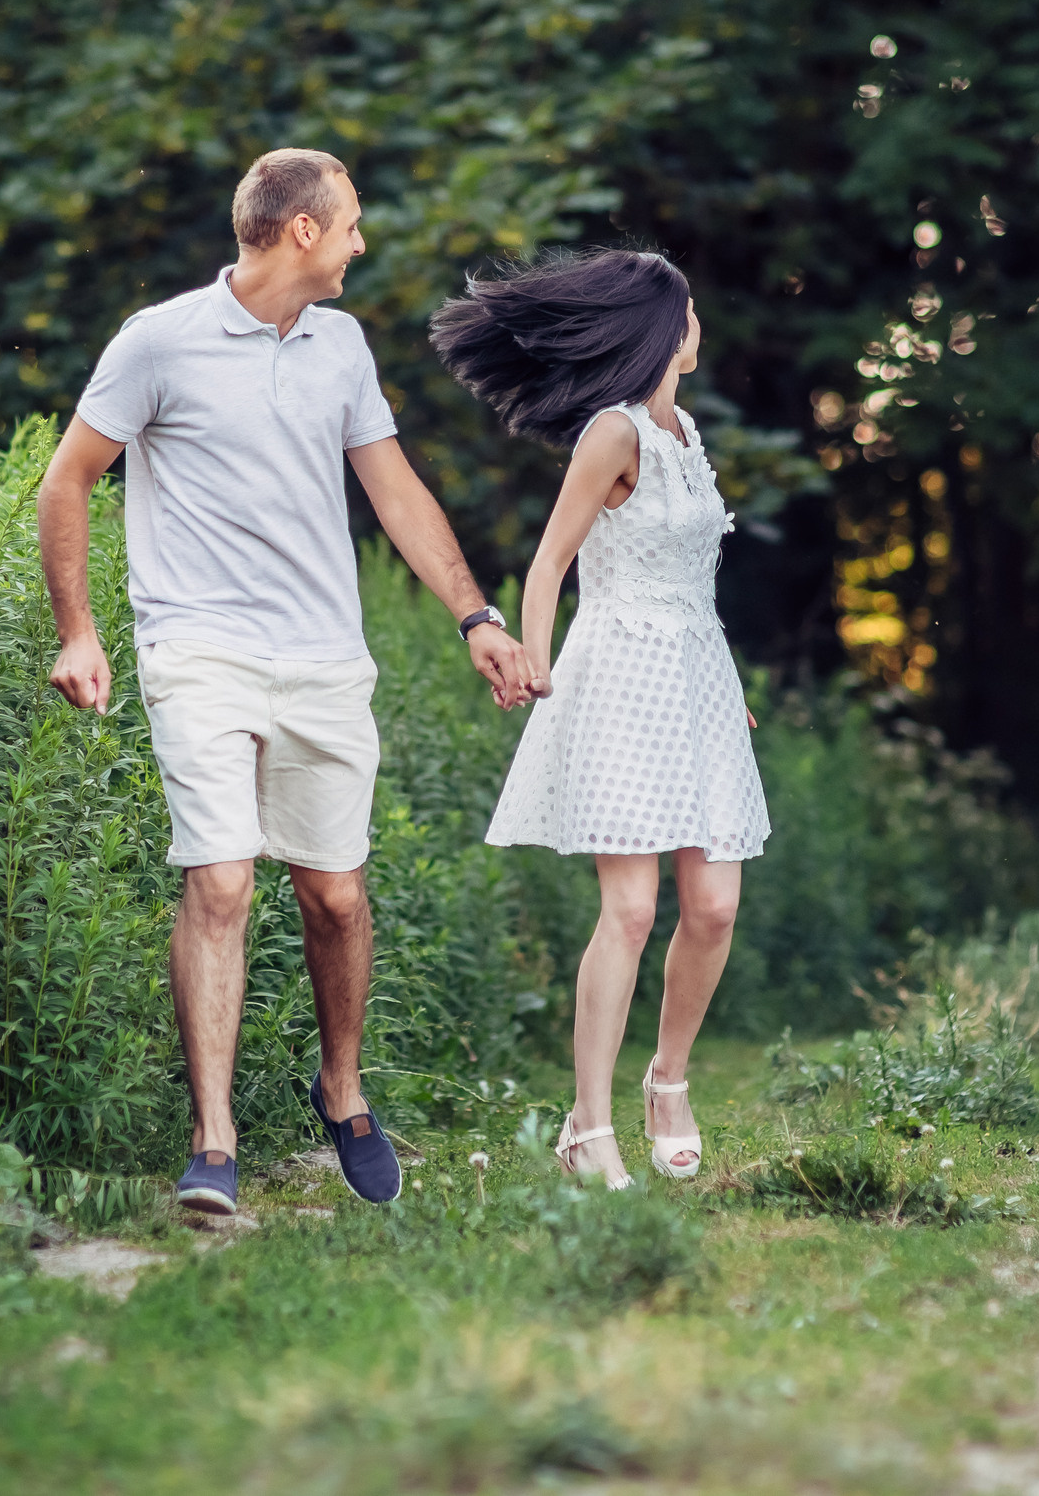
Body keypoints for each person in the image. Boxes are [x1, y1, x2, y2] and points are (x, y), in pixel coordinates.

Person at [38, 147, 531, 1215]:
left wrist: (475, 616)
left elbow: (394, 491)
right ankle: (211, 1140)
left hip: (321, 658)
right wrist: (78, 631)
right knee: (219, 880)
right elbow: (66, 479)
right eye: (350, 224)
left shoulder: (341, 345)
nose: (360, 242)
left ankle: (340, 1087)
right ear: (302, 229)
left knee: (335, 894)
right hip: (198, 648)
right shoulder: (157, 340)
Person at [430, 248, 769, 1189]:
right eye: (690, 308)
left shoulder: (687, 434)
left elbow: (692, 580)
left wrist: (723, 679)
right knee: (630, 908)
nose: (699, 321)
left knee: (714, 904)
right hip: (620, 676)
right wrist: (532, 655)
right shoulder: (611, 434)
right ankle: (588, 1123)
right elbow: (549, 564)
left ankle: (667, 1082)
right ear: (665, 328)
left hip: (697, 677)